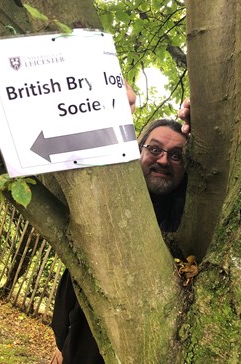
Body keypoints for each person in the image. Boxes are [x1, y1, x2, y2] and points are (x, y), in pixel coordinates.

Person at [50, 85, 191, 364]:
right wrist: (61, 341)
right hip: (80, 343)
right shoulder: (107, 199)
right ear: (137, 150)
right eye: (155, 149)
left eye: (176, 155)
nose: (163, 160)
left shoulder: (189, 215)